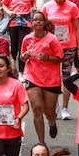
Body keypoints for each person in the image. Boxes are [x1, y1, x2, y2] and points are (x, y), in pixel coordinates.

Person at [21, 11, 65, 143]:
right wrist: (24, 56)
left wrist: (47, 58)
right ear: (32, 23)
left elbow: (60, 58)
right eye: (35, 20)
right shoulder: (27, 39)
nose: (38, 22)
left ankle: (52, 122)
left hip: (51, 80)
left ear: (45, 23)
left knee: (49, 110)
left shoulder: (52, 39)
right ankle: (41, 142)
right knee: (37, 109)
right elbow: (22, 57)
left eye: (40, 20)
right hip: (32, 77)